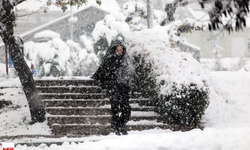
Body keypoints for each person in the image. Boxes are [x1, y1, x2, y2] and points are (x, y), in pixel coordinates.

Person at [91, 40, 138, 135]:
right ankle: (117, 126)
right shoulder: (109, 59)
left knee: (126, 108)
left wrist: (131, 84)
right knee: (115, 108)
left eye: (121, 50)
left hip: (124, 87)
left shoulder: (126, 60)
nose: (119, 52)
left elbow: (131, 73)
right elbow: (103, 73)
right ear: (114, 50)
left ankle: (122, 124)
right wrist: (106, 87)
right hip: (113, 88)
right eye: (117, 50)